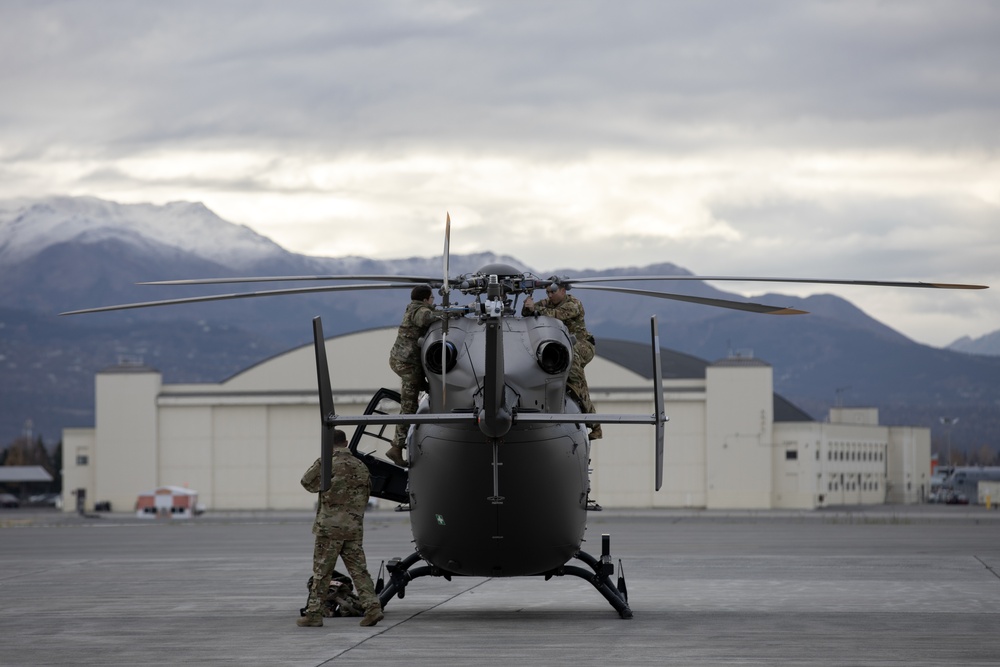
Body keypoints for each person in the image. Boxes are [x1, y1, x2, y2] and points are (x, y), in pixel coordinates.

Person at [298, 428, 384, 628]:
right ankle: (373, 609)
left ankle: (314, 614)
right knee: (359, 571)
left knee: (322, 572)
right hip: (353, 528)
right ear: (346, 443)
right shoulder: (361, 466)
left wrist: (323, 462)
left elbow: (307, 483)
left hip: (329, 529)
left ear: (328, 445)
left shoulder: (328, 463)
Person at [522, 280, 602, 440]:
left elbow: (556, 315)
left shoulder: (574, 304)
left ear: (563, 290)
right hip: (561, 344)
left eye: (553, 292)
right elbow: (527, 314)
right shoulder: (547, 303)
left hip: (582, 345)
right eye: (548, 293)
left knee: (573, 370)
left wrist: (534, 308)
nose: (550, 295)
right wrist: (527, 306)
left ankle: (595, 424)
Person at [387, 284, 440, 466]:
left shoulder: (413, 307)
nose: (433, 301)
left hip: (404, 362)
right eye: (432, 298)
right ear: (425, 299)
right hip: (408, 365)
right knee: (409, 406)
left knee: (432, 388)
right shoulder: (420, 310)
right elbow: (426, 318)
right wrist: (450, 313)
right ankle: (396, 447)